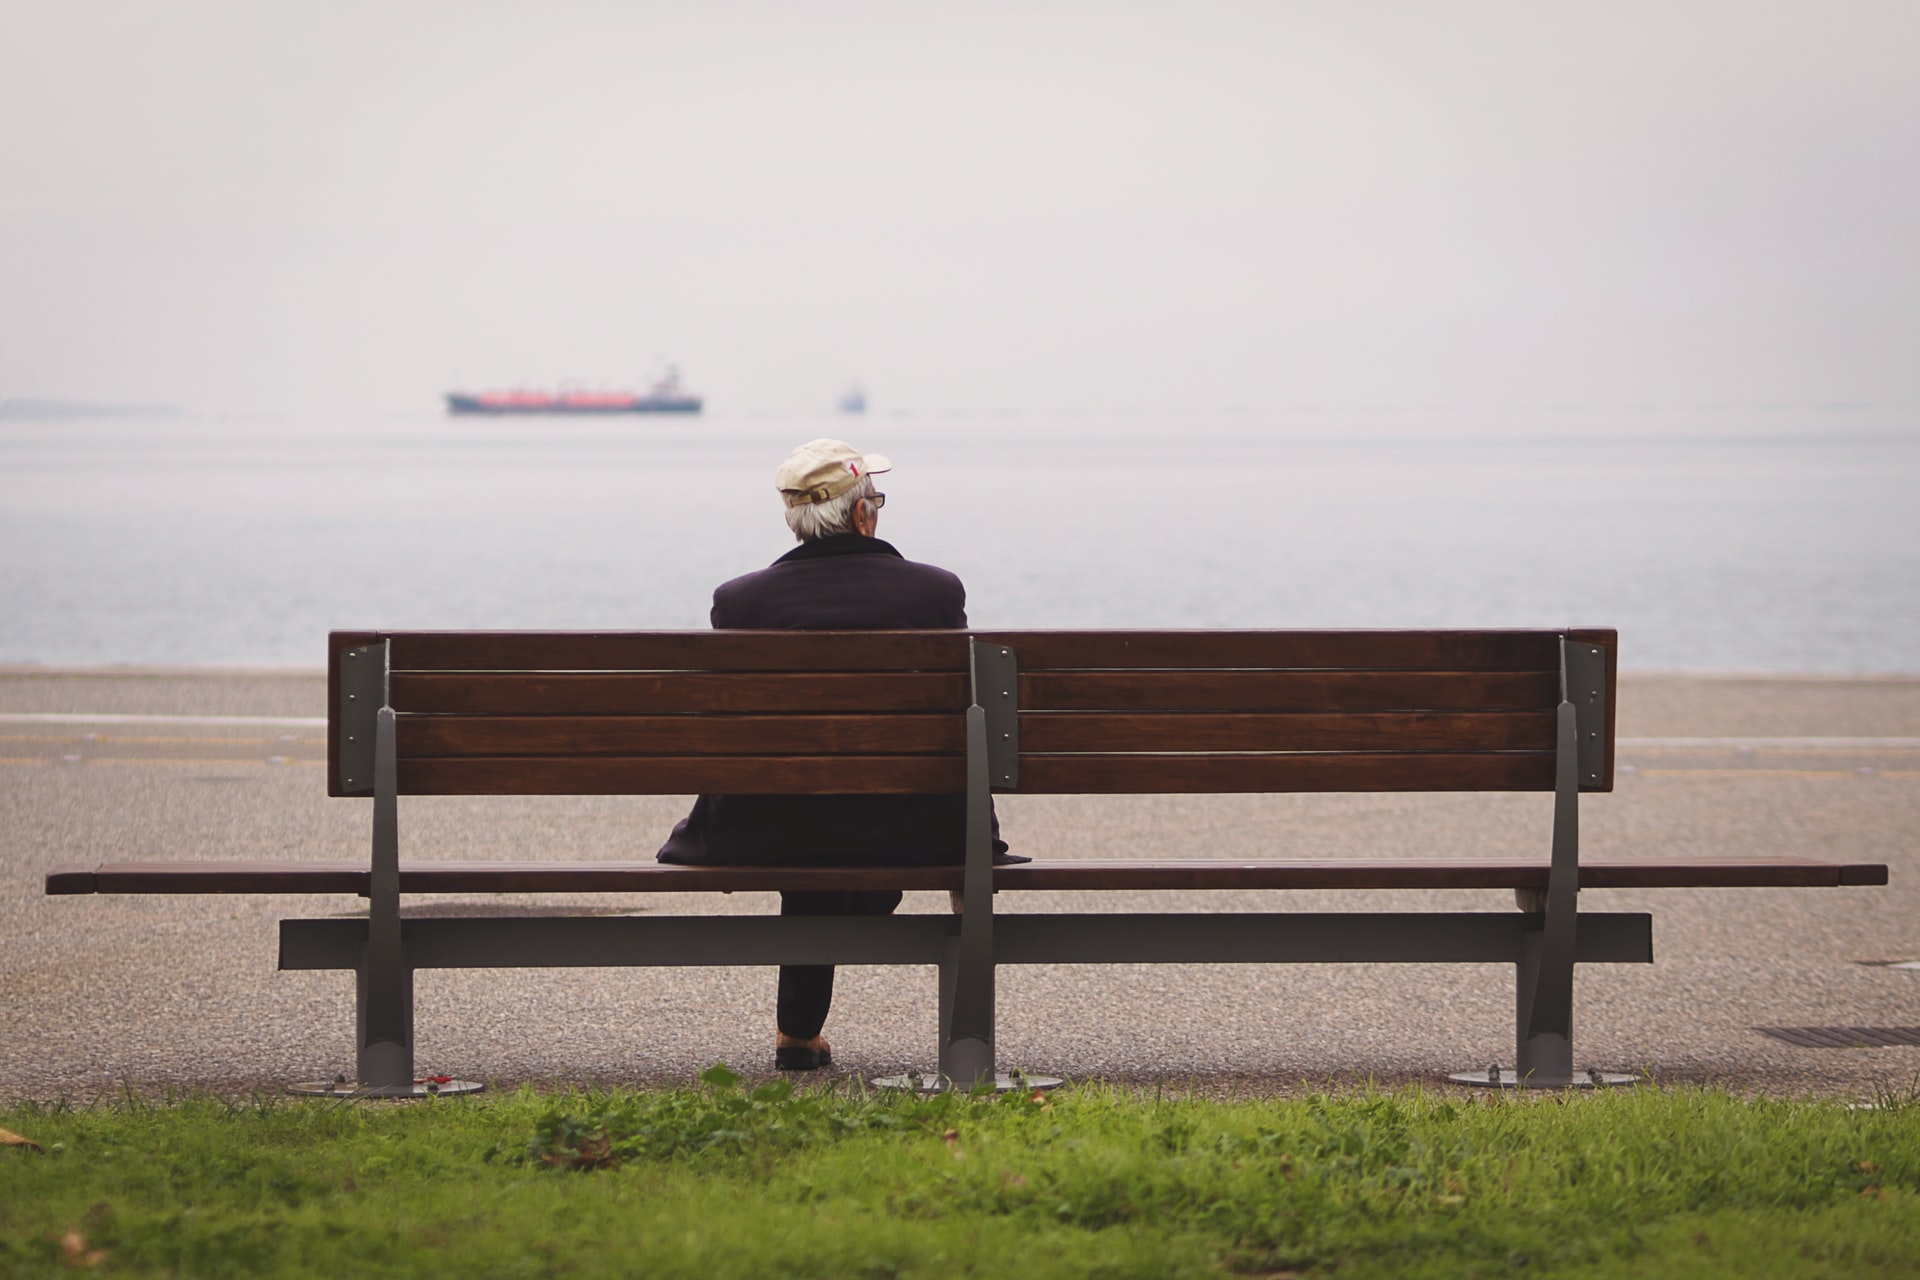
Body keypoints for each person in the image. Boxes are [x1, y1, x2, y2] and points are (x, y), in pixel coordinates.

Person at [657, 438, 1017, 1071]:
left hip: (771, 831)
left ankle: (797, 1033)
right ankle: (859, 1019)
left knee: (810, 808)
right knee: (852, 813)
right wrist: (974, 845)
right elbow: (964, 724)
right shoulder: (934, 593)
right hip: (913, 831)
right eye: (874, 498)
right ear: (861, 516)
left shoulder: (741, 603)